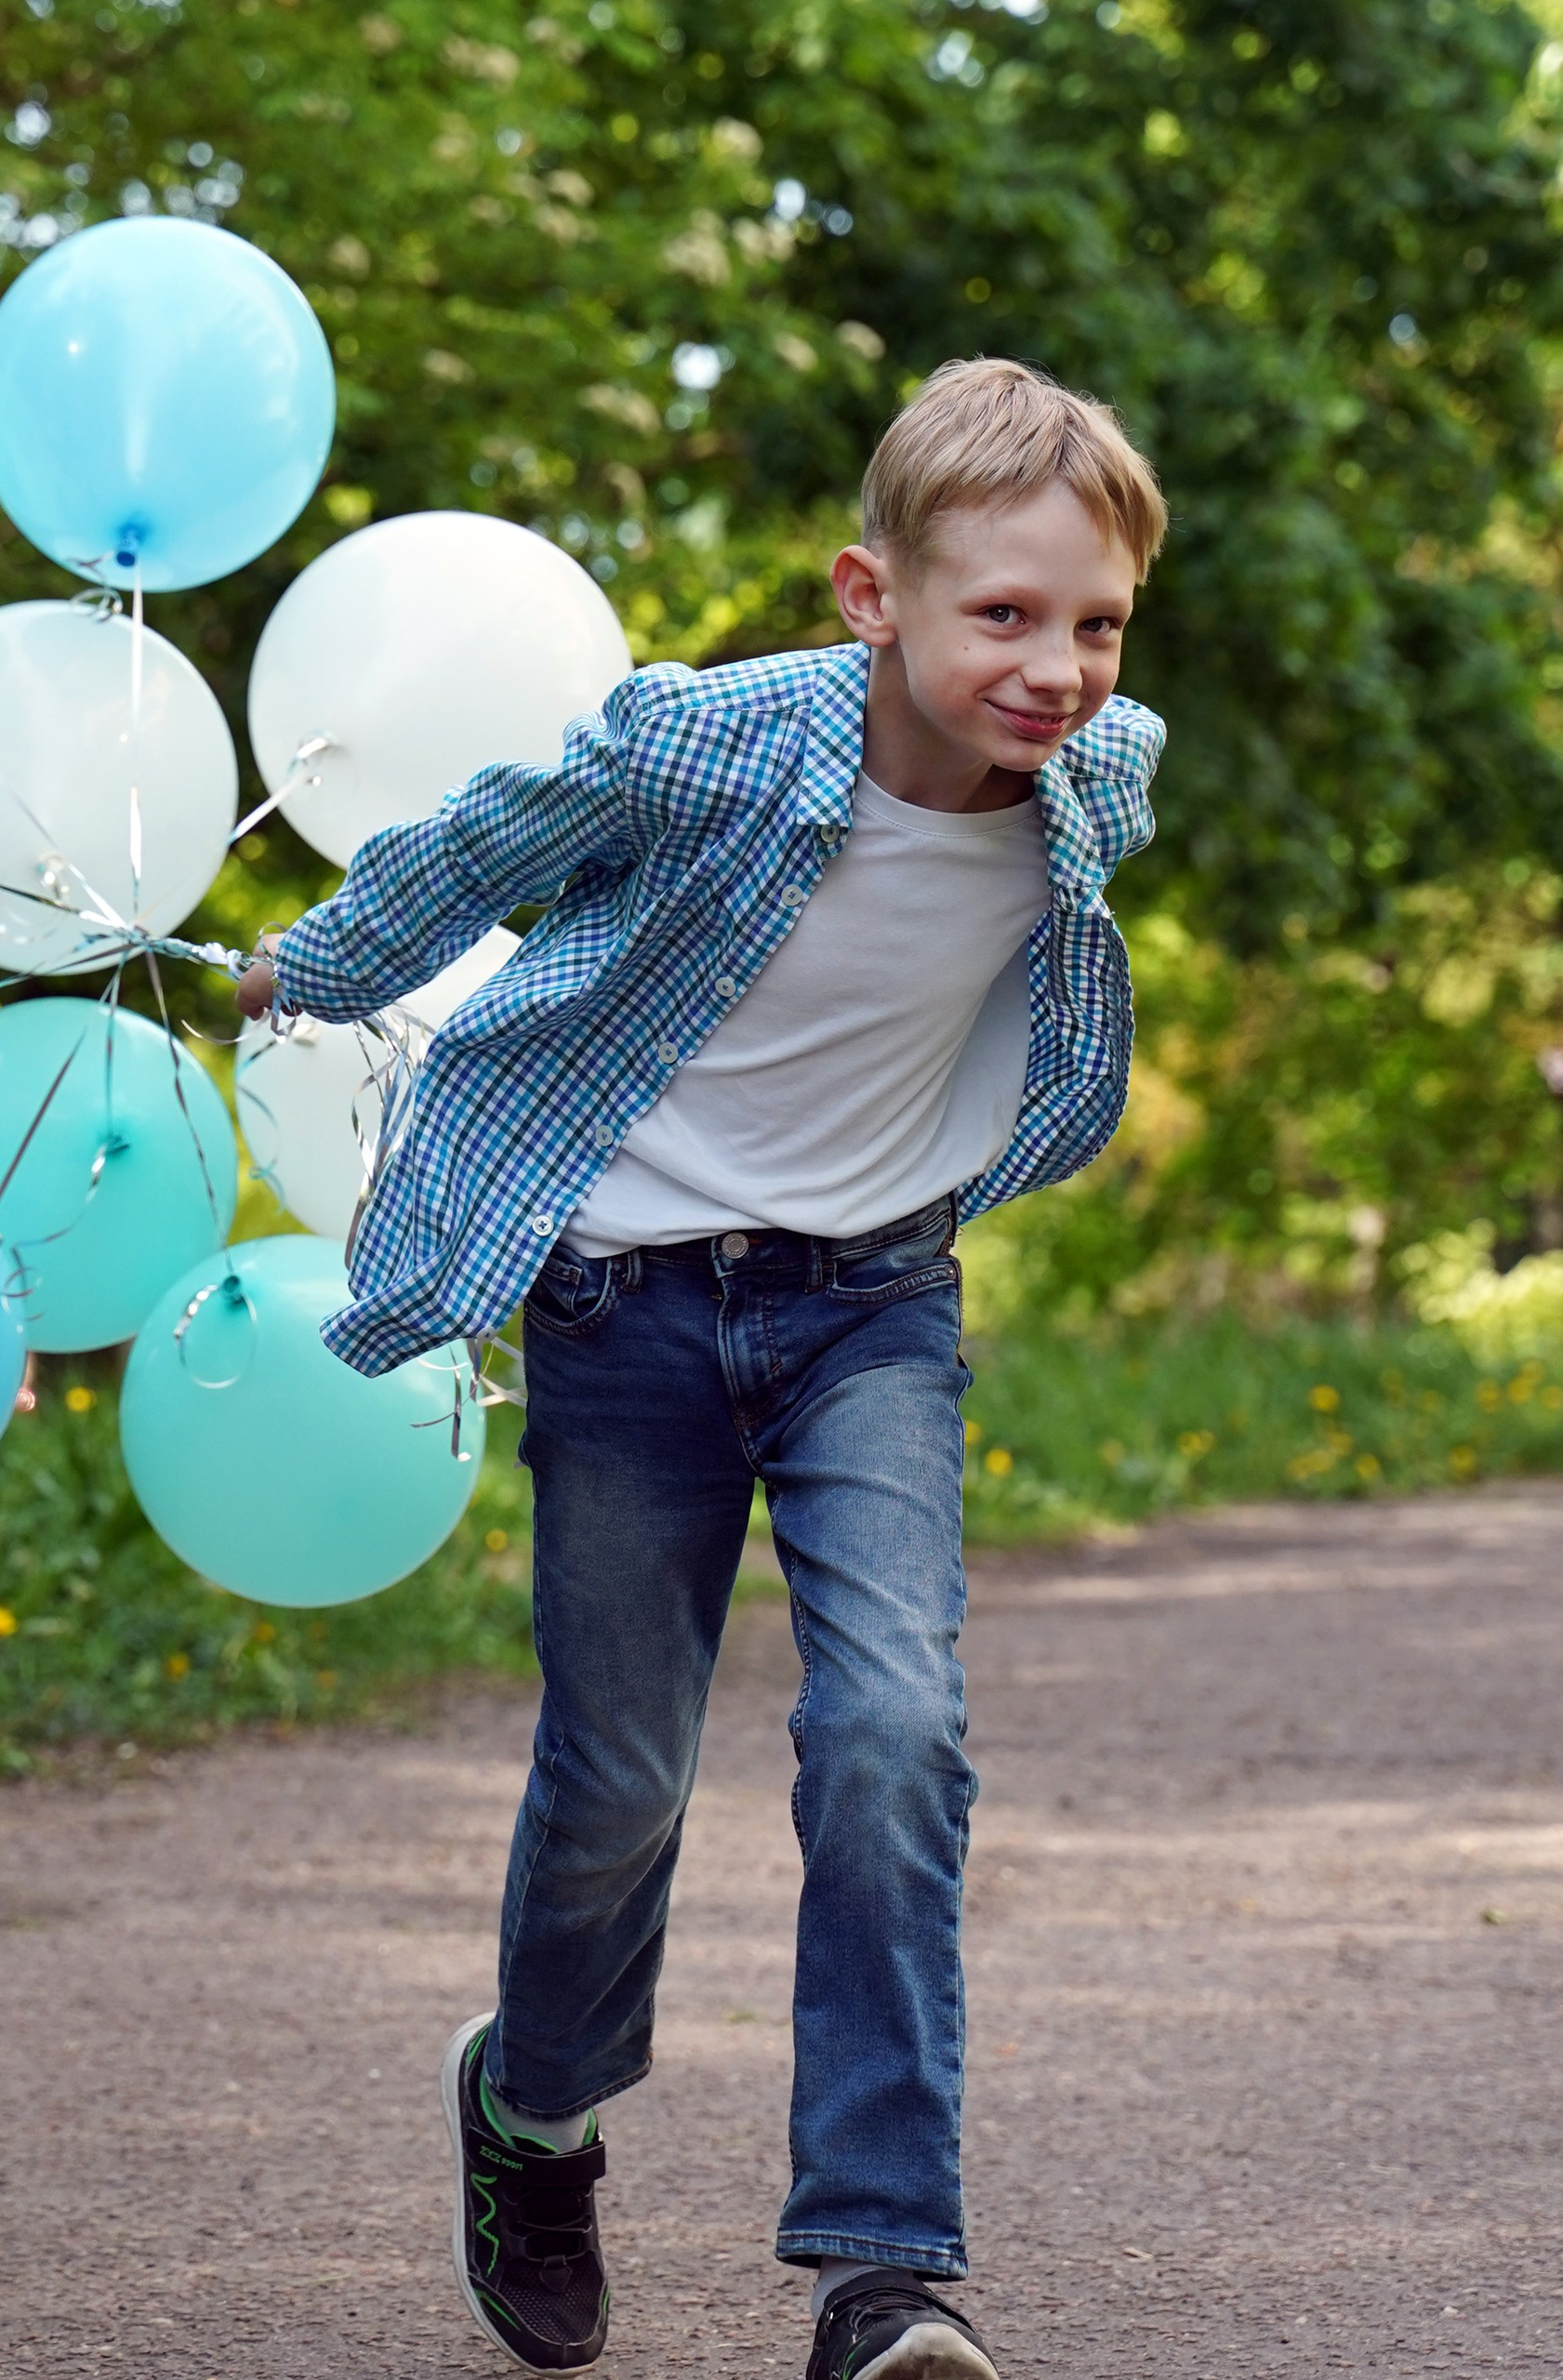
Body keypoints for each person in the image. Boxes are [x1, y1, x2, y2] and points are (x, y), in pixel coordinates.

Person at [234, 357, 1167, 2380]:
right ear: (868, 597)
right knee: (620, 1778)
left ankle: (881, 2271)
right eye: (999, 614)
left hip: (867, 1312)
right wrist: (312, 963)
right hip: (621, 1307)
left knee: (892, 1734)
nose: (1054, 667)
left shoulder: (1104, 772)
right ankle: (532, 2105)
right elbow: (490, 842)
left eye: (1092, 620)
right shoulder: (714, 742)